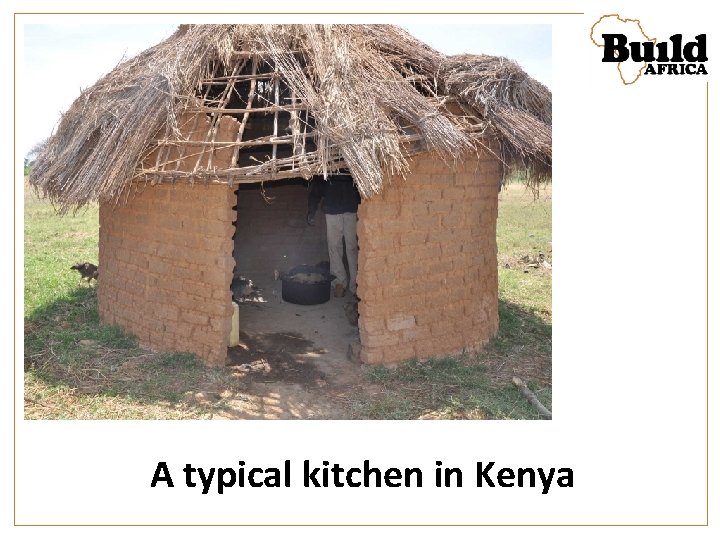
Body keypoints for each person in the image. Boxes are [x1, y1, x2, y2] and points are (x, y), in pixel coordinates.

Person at [307, 172, 360, 298]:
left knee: (352, 247)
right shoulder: (326, 160)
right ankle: (339, 283)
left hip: (351, 209)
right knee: (334, 247)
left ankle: (357, 284)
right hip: (332, 209)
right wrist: (311, 211)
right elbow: (317, 189)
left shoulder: (351, 159)